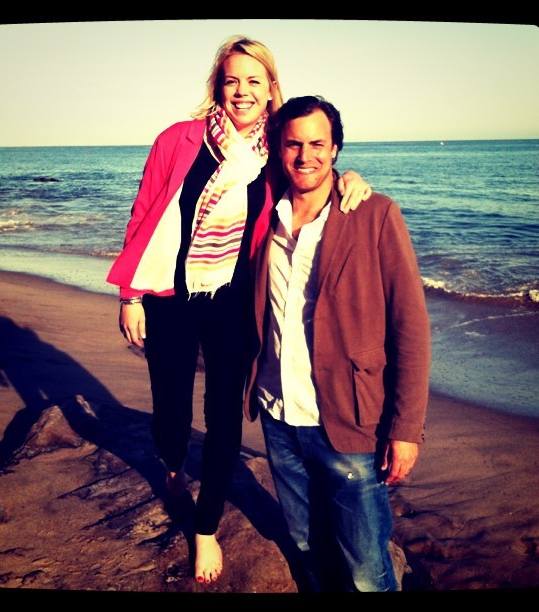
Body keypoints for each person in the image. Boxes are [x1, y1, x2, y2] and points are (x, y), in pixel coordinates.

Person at [106, 37, 371, 585]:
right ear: (218, 86)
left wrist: (351, 178)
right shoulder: (177, 140)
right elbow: (144, 214)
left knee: (224, 415)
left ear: (271, 88)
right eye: (232, 80)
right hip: (169, 297)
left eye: (255, 80)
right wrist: (130, 295)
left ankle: (205, 528)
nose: (242, 91)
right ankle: (173, 465)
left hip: (234, 302)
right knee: (170, 415)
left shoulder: (276, 150)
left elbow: (313, 177)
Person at [244, 95, 431, 592]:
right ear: (277, 149)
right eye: (293, 144)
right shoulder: (264, 213)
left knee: (367, 569)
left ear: (335, 149)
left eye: (317, 144)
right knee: (307, 546)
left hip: (349, 420)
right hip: (279, 415)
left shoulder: (374, 213)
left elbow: (410, 326)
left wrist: (406, 429)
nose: (305, 155)